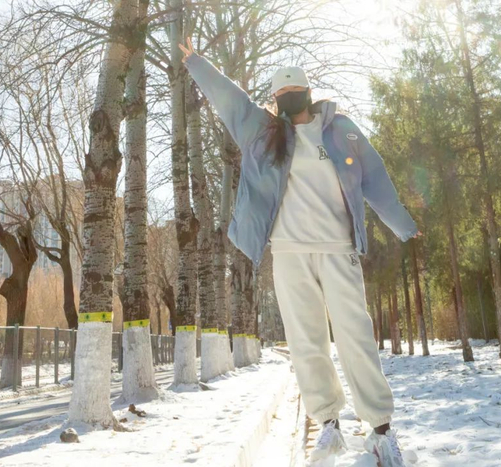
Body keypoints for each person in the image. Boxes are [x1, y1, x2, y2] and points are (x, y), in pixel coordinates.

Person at [179, 37, 421, 467]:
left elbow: (375, 178)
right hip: (289, 253)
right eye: (281, 95)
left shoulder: (341, 129)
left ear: (309, 92)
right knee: (307, 341)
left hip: (338, 249)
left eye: (294, 91)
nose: (288, 99)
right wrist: (197, 62)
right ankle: (328, 425)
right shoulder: (263, 132)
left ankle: (381, 430)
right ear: (275, 100)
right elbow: (230, 100)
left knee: (356, 337)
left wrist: (401, 222)